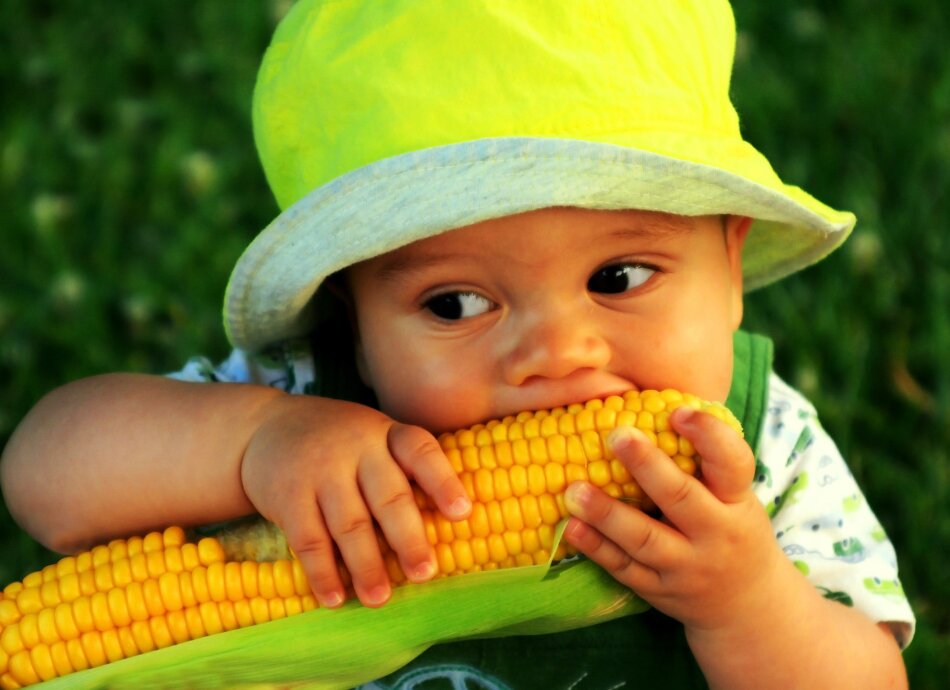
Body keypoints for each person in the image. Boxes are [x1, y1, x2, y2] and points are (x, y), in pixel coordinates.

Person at [0, 1, 914, 688]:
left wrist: (749, 601)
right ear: (350, 313)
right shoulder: (314, 404)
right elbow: (44, 478)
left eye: (621, 278)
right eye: (456, 302)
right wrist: (249, 443)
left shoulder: (767, 455)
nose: (556, 352)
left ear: (730, 264)